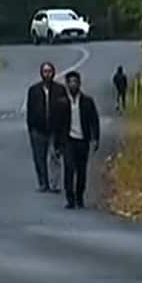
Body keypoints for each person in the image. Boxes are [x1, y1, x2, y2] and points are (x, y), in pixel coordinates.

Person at [58, 70, 101, 209]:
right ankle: (70, 199)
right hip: (68, 141)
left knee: (81, 171)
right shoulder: (62, 103)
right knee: (69, 169)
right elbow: (57, 125)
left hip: (83, 140)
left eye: (75, 82)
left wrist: (95, 139)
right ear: (66, 85)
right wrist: (57, 145)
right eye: (70, 82)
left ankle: (79, 197)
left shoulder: (87, 102)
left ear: (79, 83)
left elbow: (94, 121)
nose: (73, 85)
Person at [26, 61, 69, 193]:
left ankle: (54, 184)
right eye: (45, 71)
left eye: (49, 71)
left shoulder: (60, 90)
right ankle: (43, 182)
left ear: (53, 73)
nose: (47, 74)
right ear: (41, 73)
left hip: (55, 129)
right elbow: (30, 110)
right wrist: (31, 127)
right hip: (38, 129)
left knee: (55, 156)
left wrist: (63, 129)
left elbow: (65, 109)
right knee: (39, 158)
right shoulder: (33, 90)